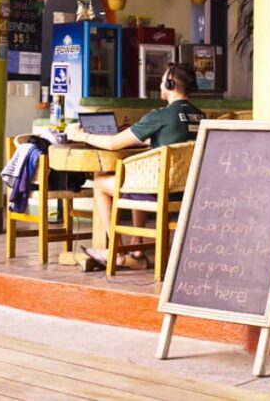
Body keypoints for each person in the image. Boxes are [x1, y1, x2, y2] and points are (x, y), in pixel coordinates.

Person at [65, 62, 203, 269]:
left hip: (158, 190)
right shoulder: (200, 116)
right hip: (185, 190)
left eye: (162, 81)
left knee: (100, 182)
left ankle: (116, 252)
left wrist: (79, 135)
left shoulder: (160, 115)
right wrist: (137, 135)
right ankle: (136, 245)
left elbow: (112, 144)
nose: (160, 86)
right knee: (139, 177)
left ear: (170, 84)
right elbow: (174, 141)